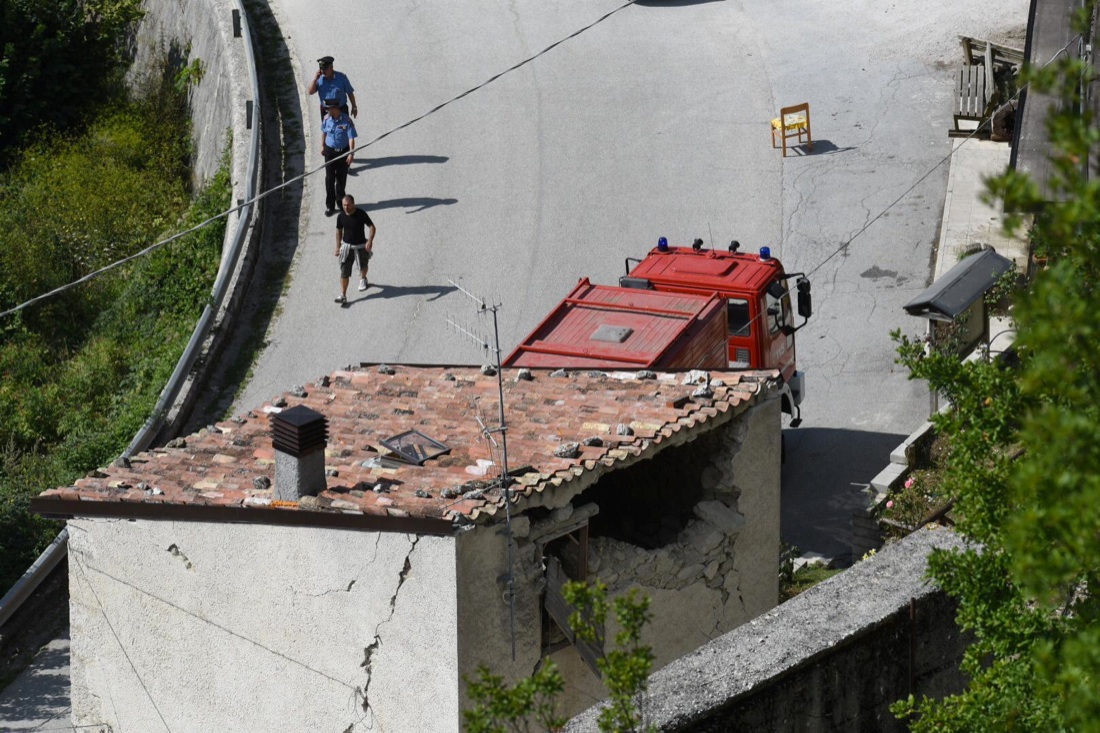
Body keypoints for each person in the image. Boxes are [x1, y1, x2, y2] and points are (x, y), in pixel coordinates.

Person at [334, 194, 376, 306]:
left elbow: (372, 227)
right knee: (344, 271)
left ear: (353, 204)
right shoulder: (341, 216)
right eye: (344, 205)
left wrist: (370, 240)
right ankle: (343, 295)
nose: (346, 207)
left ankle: (363, 278)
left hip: (361, 246)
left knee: (363, 266)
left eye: (348, 205)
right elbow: (339, 231)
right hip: (347, 248)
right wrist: (338, 247)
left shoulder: (361, 214)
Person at [321, 99, 357, 215]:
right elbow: (324, 132)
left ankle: (341, 203)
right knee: (329, 179)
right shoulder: (326, 119)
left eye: (329, 108)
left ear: (335, 108)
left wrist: (351, 153)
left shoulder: (346, 121)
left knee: (341, 180)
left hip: (343, 153)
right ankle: (330, 206)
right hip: (330, 152)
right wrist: (322, 146)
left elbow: (351, 138)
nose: (327, 110)